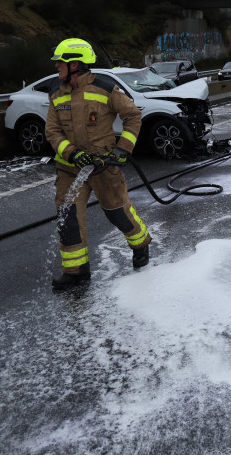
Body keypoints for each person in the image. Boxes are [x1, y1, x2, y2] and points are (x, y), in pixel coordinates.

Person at [45, 38, 152, 291]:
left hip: (104, 166)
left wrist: (122, 149)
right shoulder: (56, 93)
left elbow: (133, 116)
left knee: (118, 213)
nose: (57, 66)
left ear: (75, 64)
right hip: (70, 170)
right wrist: (71, 153)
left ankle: (141, 243)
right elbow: (52, 131)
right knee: (68, 219)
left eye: (60, 61)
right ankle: (76, 272)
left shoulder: (105, 89)